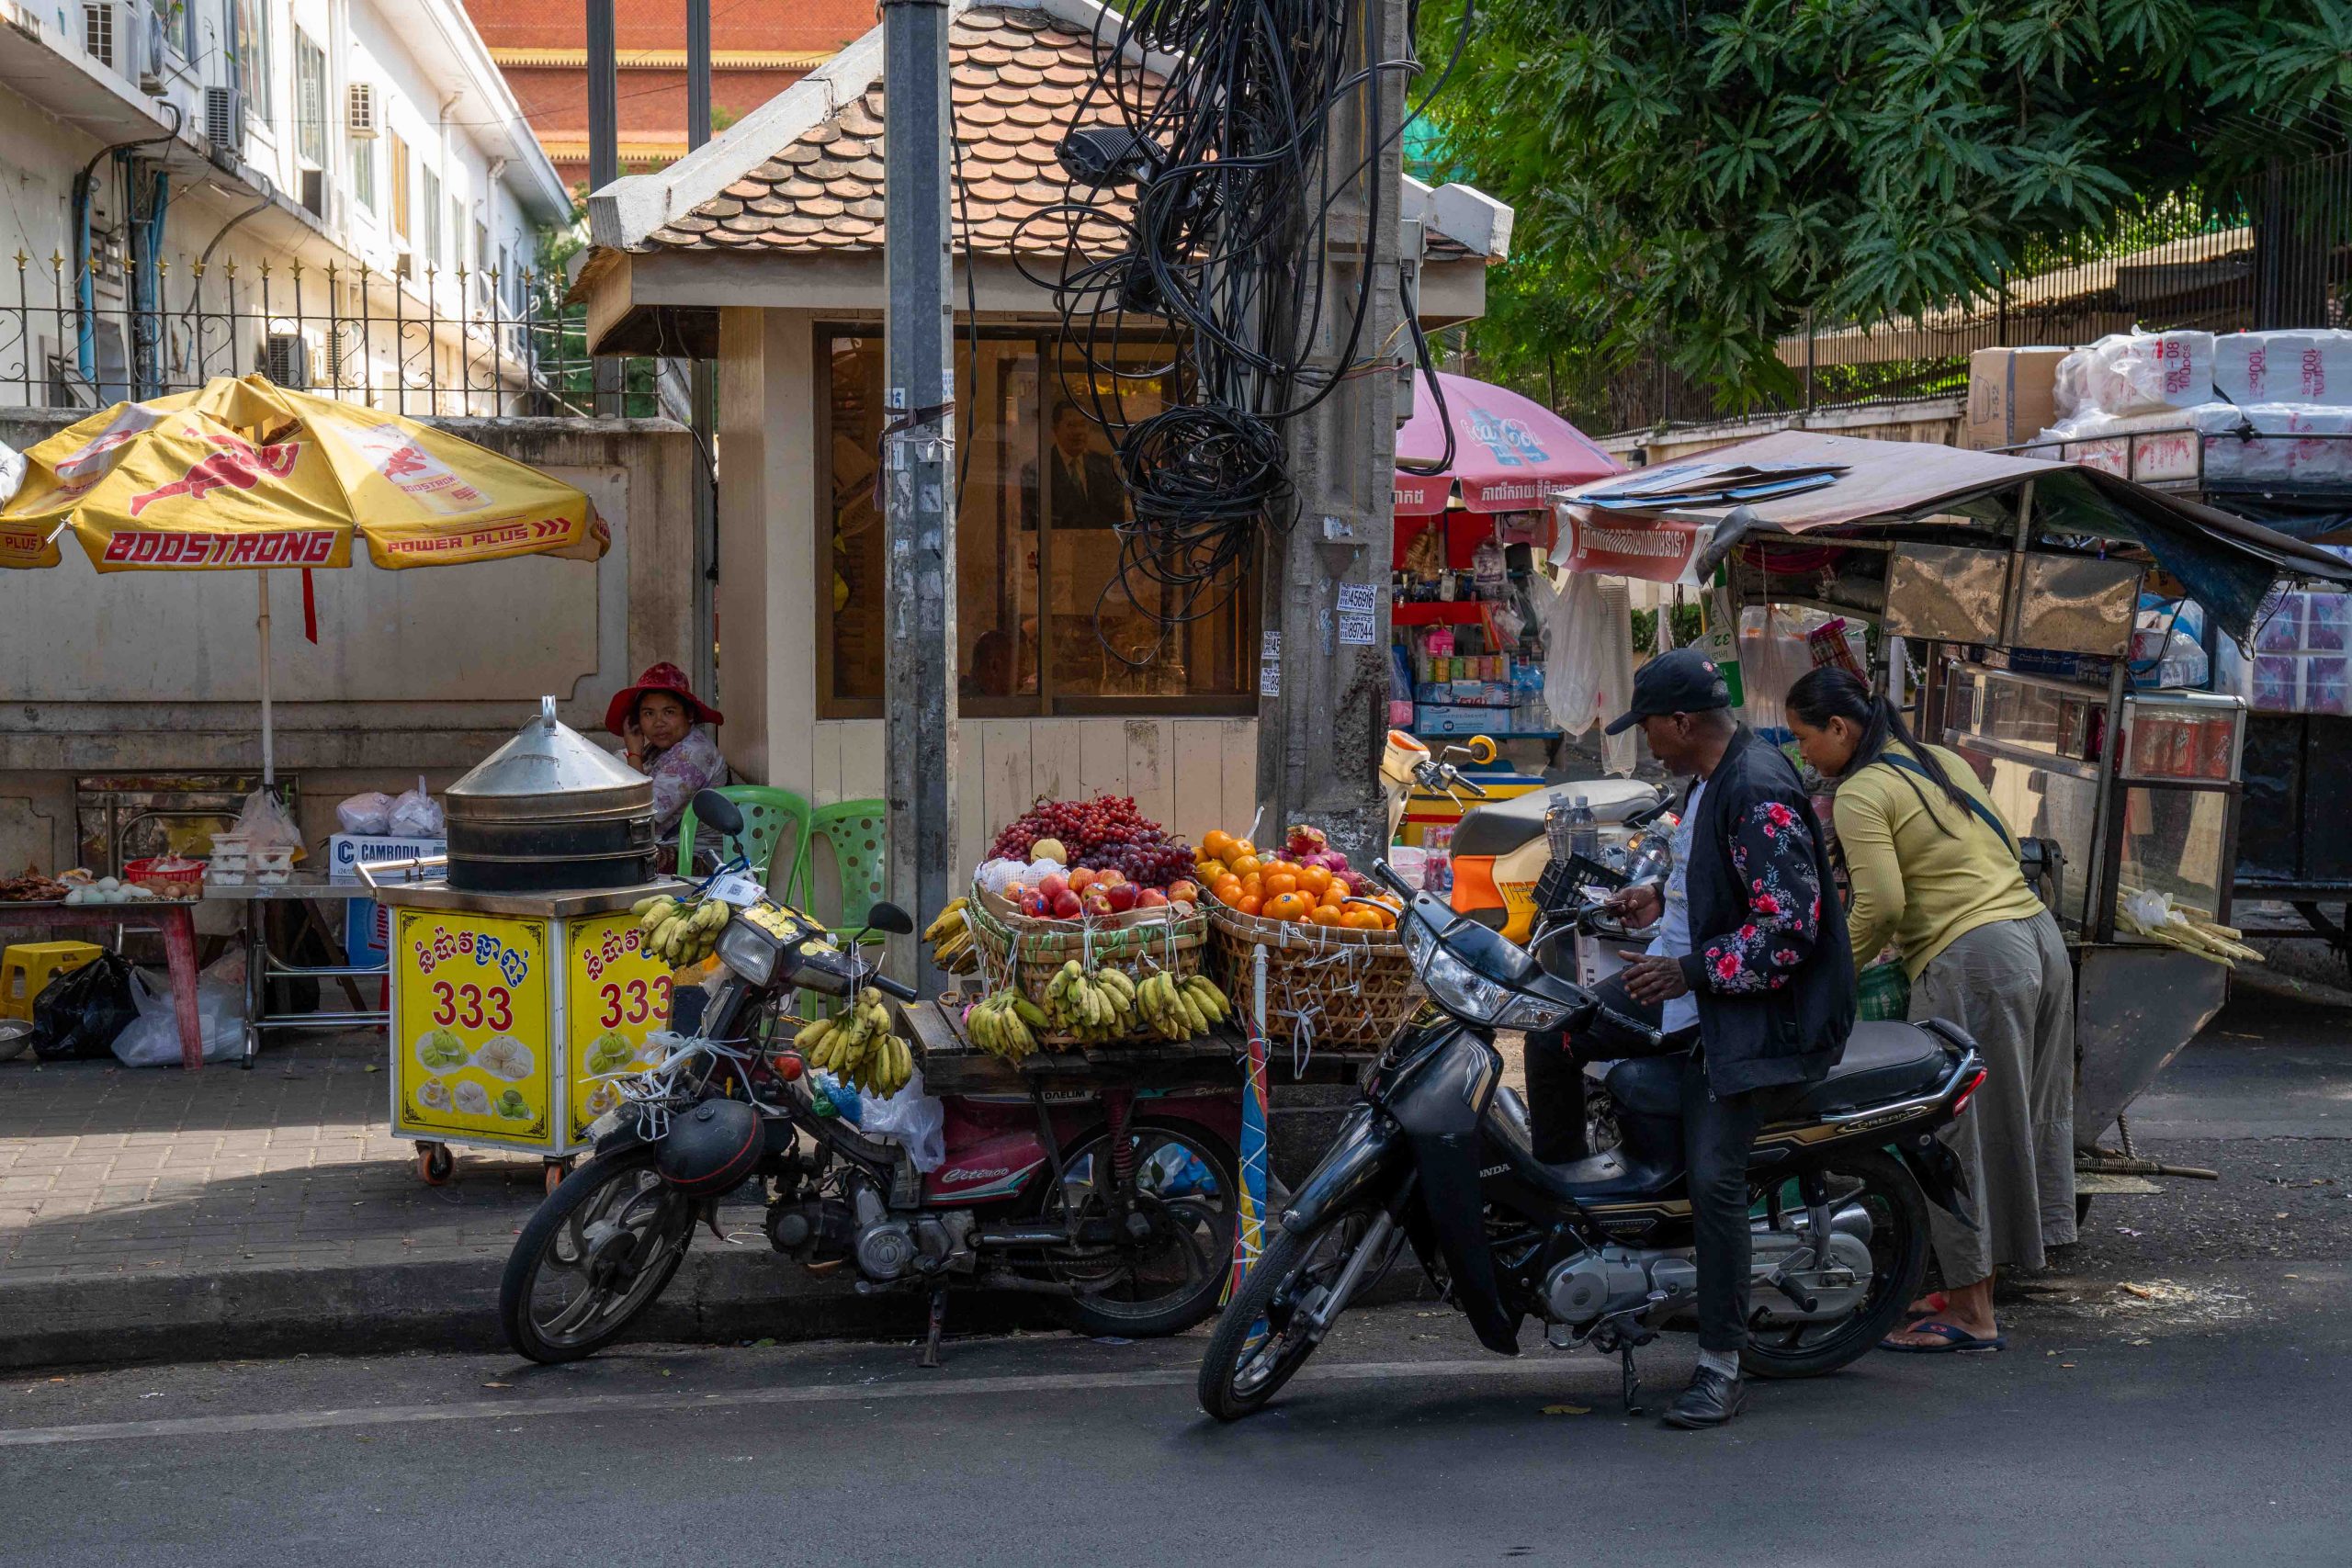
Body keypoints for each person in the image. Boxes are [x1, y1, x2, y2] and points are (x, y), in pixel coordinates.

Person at [1522, 646, 1854, 1430]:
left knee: (1716, 1177)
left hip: (1761, 1022)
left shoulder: (1759, 789)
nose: (1647, 743)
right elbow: (1708, 874)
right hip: (1691, 995)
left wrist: (1690, 971)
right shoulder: (1709, 778)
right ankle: (1568, 1227)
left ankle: (1720, 1365)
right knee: (1552, 1035)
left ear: (1681, 722)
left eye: (1650, 727)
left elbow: (1788, 931)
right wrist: (1654, 895)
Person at [1786, 666, 2074, 1356]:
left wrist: (1830, 977)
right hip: (2037, 938)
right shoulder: (1938, 759)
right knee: (2012, 1121)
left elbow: (1880, 906)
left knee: (1957, 1135)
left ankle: (1974, 1314)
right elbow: (2001, 848)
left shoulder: (1861, 791)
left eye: (1804, 738)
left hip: (1975, 957)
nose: (1803, 754)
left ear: (1839, 728)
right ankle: (1977, 1287)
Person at [604, 662, 729, 852]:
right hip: (661, 844)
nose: (658, 723)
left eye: (669, 712)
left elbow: (642, 812)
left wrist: (634, 754)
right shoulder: (659, 750)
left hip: (695, 855)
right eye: (648, 713)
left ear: (689, 715)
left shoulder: (694, 753)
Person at [1021, 401, 1125, 531]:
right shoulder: (1037, 469)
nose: (1078, 431)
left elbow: (1117, 513)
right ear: (1055, 429)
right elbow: (1032, 521)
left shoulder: (1104, 465)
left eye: (1083, 424)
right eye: (1071, 425)